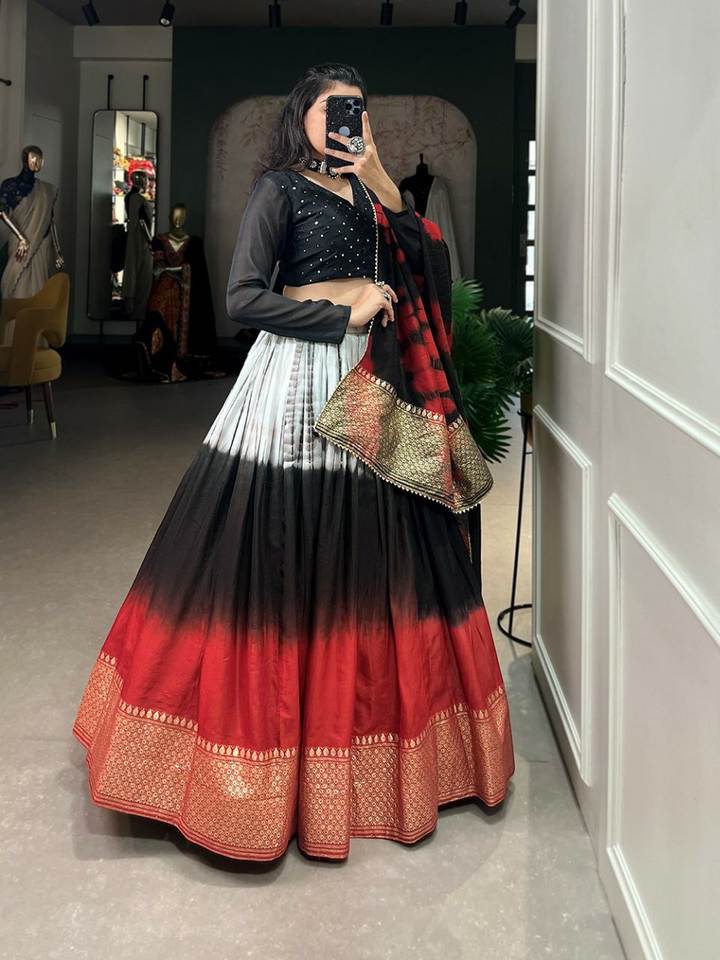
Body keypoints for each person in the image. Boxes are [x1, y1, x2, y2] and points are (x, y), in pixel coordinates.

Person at [72, 62, 515, 862]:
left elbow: (430, 265)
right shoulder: (279, 189)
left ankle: (371, 755)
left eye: (357, 110)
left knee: (378, 553)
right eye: (330, 109)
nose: (346, 121)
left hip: (376, 380)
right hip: (300, 379)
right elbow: (244, 298)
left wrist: (379, 177)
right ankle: (262, 768)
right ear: (301, 117)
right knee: (278, 546)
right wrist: (340, 312)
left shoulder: (373, 197)